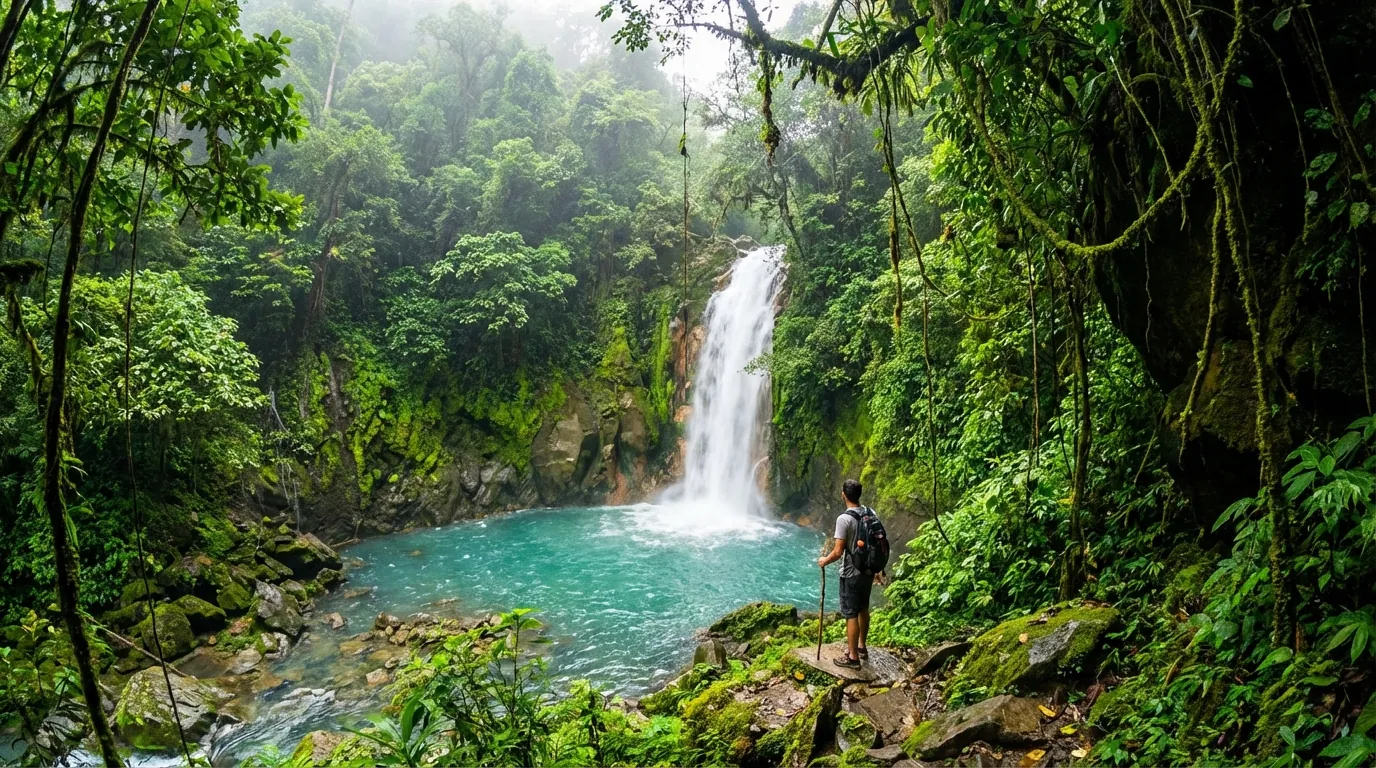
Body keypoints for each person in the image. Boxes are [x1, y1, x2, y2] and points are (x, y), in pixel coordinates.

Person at [817, 479, 886, 668]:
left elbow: (838, 551)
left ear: (843, 495)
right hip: (868, 570)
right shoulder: (870, 512)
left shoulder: (844, 519)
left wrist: (824, 561)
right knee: (863, 608)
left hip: (851, 572)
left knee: (850, 613)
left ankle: (853, 657)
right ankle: (862, 646)